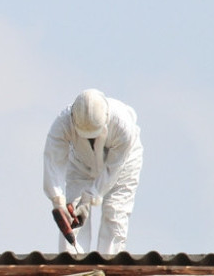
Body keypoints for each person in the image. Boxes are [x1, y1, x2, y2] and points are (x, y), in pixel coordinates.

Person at [43, 89, 143, 254]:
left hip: (123, 164)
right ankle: (72, 264)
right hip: (81, 162)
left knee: (114, 211)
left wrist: (89, 198)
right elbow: (53, 161)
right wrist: (58, 202)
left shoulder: (122, 125)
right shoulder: (62, 123)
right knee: (72, 211)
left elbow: (112, 170)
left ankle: (109, 264)